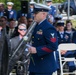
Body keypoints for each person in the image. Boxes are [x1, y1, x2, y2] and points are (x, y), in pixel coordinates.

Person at [28, 3, 58, 75]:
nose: (34, 15)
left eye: (36, 13)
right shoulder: (37, 26)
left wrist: (37, 50)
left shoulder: (48, 28)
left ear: (43, 14)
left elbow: (53, 46)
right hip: (35, 64)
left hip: (44, 66)